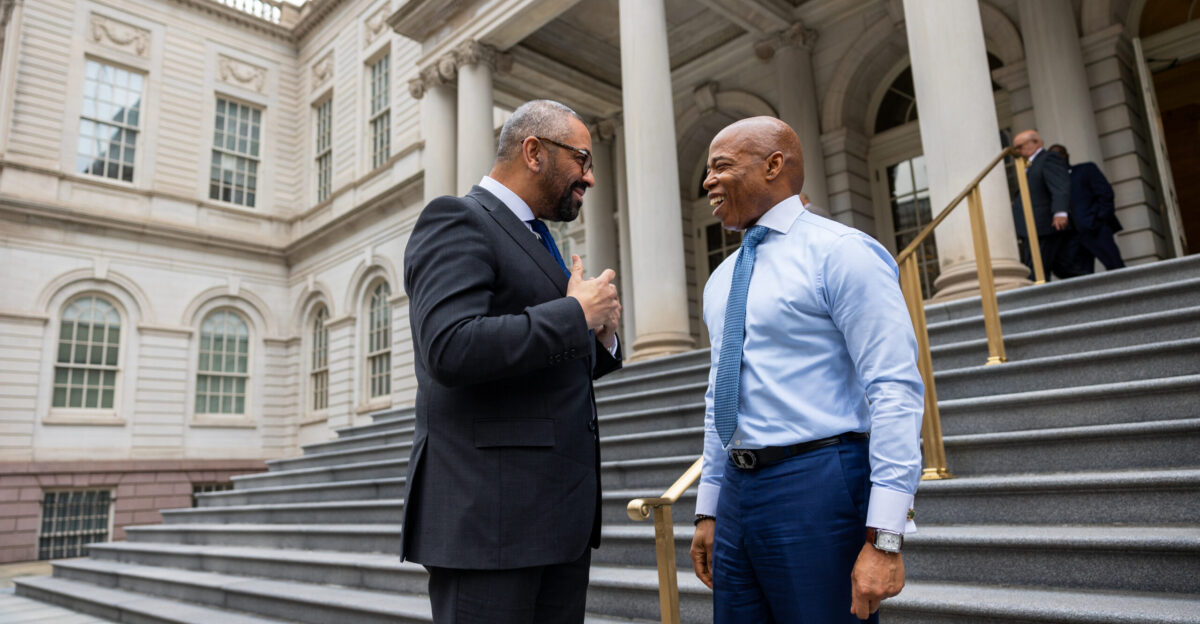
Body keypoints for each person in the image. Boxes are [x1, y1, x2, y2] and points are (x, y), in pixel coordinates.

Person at [688, 117, 923, 623]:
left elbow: (894, 390)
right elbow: (719, 394)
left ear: (774, 165)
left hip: (820, 484)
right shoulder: (720, 279)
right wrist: (709, 507)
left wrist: (885, 537)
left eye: (720, 167)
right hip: (736, 491)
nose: (707, 181)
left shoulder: (843, 253)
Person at [401, 99, 623, 624]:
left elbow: (542, 365)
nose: (589, 178)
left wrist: (600, 336)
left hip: (555, 523)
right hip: (490, 526)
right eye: (582, 160)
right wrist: (573, 313)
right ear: (534, 152)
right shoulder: (457, 218)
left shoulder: (538, 237)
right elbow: (449, 347)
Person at [1010, 129, 1087, 280]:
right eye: (1015, 148)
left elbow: (1060, 186)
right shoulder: (1028, 165)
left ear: (1037, 142)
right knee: (1063, 266)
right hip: (1036, 226)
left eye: (1020, 146)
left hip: (1044, 224)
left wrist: (1060, 212)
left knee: (1036, 270)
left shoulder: (1048, 158)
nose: (1017, 151)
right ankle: (1092, 289)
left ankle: (1036, 300)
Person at [1047, 143, 1125, 272]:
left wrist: (1099, 219)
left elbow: (1105, 194)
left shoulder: (1086, 169)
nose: (1056, 158)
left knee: (1115, 266)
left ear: (1066, 155)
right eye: (1052, 156)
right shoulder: (1052, 185)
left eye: (1059, 154)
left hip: (1095, 228)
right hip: (1073, 237)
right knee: (1083, 276)